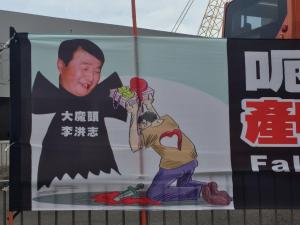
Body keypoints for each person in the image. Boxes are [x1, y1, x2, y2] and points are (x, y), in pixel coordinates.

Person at [32, 39, 127, 190]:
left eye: (97, 71)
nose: (91, 78)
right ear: (61, 65)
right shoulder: (38, 112)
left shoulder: (111, 101)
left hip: (106, 183)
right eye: (85, 69)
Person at [127, 97, 232, 205]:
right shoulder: (167, 120)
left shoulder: (148, 132)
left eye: (141, 127)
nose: (140, 130)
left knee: (153, 194)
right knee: (183, 184)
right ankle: (208, 187)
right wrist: (149, 105)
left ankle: (201, 192)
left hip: (174, 165)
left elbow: (134, 146)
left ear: (145, 123)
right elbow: (156, 119)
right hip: (191, 161)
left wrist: (134, 115)